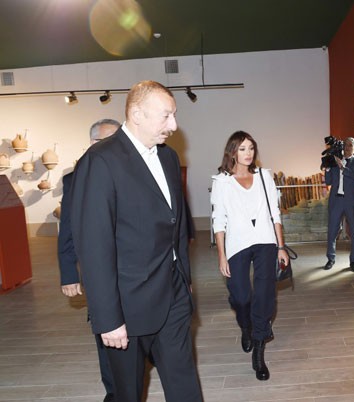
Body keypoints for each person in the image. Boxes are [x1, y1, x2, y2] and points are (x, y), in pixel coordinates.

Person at [70, 80, 202, 402]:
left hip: (173, 295)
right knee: (127, 392)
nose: (174, 125)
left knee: (185, 384)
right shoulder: (100, 160)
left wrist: (184, 281)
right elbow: (94, 246)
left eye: (174, 115)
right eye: (166, 116)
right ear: (137, 114)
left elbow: (176, 225)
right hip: (127, 306)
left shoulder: (169, 158)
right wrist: (108, 318)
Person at [211, 130, 289, 381]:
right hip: (237, 243)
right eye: (242, 148)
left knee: (265, 294)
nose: (248, 153)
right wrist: (221, 255)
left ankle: (258, 347)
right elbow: (218, 221)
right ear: (232, 152)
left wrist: (281, 246)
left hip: (266, 241)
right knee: (241, 295)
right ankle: (246, 325)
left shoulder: (265, 176)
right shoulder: (222, 182)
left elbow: (275, 213)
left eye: (251, 148)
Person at [57, 118, 120, 402]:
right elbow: (68, 227)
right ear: (93, 143)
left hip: (133, 266)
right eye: (108, 140)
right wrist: (69, 273)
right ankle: (114, 391)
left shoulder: (132, 171)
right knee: (104, 327)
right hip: (97, 270)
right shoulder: (74, 179)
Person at [323, 137, 354, 272]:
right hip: (336, 201)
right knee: (332, 230)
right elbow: (328, 181)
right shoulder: (335, 161)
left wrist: (343, 167)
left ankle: (353, 261)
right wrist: (328, 168)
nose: (347, 147)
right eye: (346, 145)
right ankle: (330, 258)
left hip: (351, 202)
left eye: (351, 145)